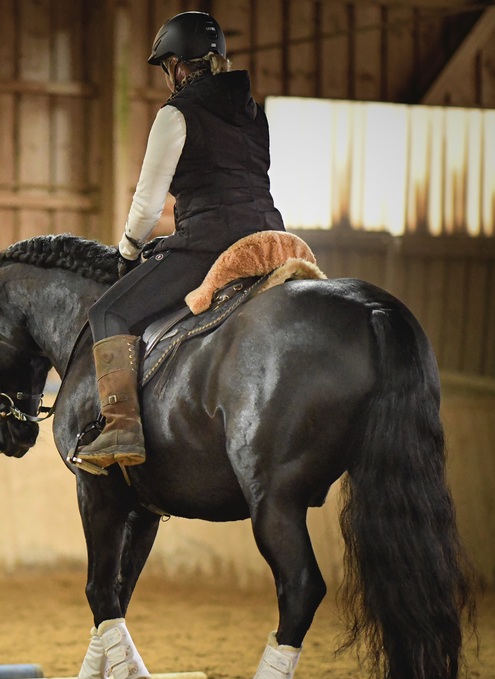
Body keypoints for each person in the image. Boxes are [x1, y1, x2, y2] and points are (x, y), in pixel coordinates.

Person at [76, 11, 285, 470]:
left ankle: (121, 429)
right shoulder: (255, 112)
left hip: (212, 243)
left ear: (179, 65)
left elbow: (148, 206)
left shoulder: (176, 114)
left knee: (108, 311)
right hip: (272, 239)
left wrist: (128, 251)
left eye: (167, 66)